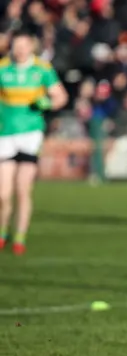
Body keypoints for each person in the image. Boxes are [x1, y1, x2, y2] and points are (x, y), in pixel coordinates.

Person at [0, 31, 68, 255]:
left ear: (31, 46)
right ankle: (2, 232)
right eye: (15, 45)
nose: (19, 49)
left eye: (23, 45)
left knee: (22, 188)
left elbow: (61, 97)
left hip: (30, 134)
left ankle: (19, 236)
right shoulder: (3, 68)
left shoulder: (42, 69)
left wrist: (46, 103)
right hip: (5, 134)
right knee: (3, 193)